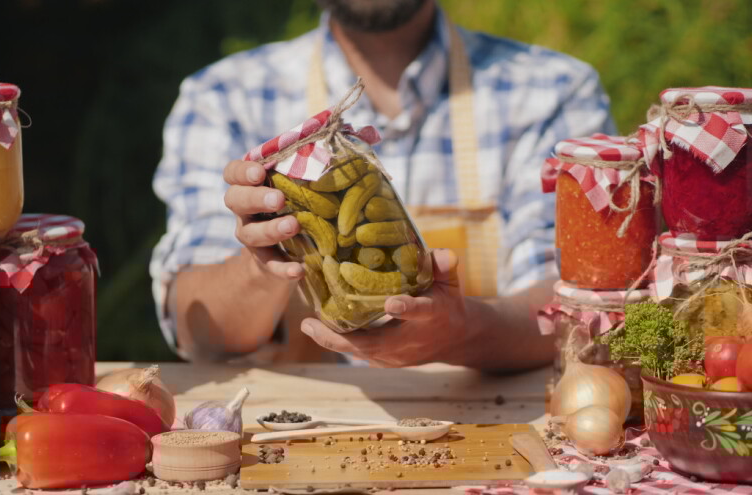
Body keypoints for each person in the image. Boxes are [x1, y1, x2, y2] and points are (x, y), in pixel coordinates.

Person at [150, 0, 617, 370]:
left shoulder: (554, 90)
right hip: (302, 438)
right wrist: (260, 266)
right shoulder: (223, 98)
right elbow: (197, 334)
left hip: (492, 424)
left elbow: (580, 308)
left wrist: (464, 331)